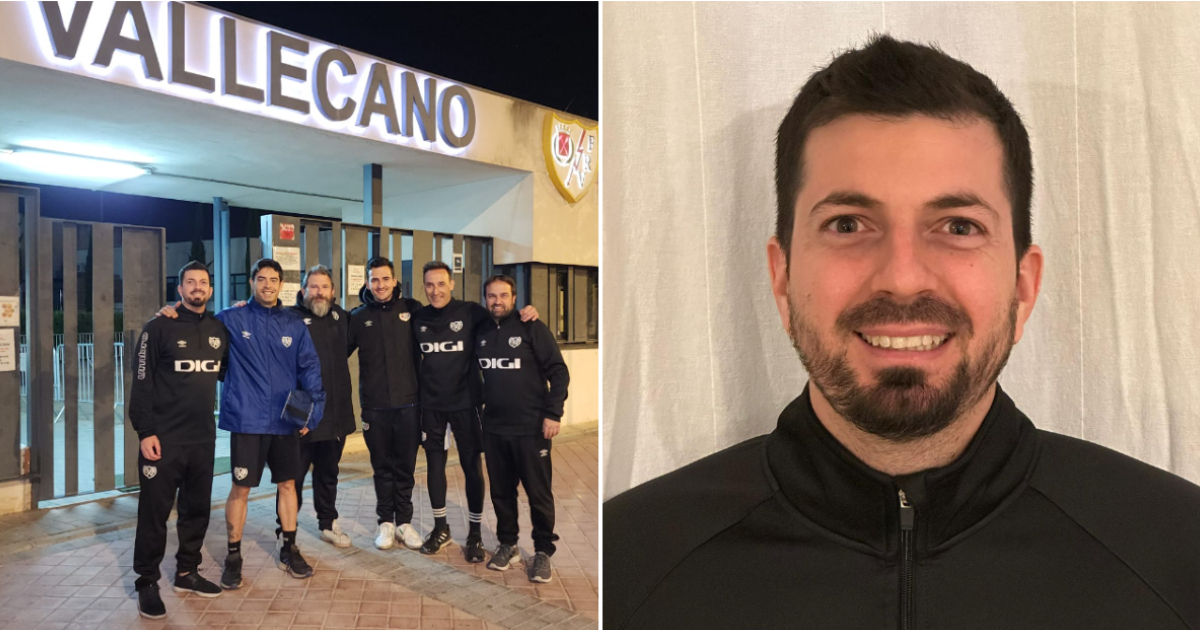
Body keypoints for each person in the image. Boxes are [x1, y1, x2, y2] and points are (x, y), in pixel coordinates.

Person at [603, 35, 1200, 629]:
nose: (904, 277)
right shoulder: (629, 565)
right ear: (782, 279)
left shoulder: (1179, 556)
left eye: (959, 226)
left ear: (1023, 285)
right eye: (848, 223)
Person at [411, 261, 538, 561]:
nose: (435, 290)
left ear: (452, 284)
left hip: (466, 405)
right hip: (432, 407)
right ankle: (440, 528)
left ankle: (476, 535)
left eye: (441, 284)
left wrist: (527, 313)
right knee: (434, 466)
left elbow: (502, 319)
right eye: (429, 285)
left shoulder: (471, 313)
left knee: (472, 469)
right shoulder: (418, 319)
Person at [216, 258, 325, 589]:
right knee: (241, 488)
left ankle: (289, 548)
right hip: (247, 421)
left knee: (289, 485)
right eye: (261, 279)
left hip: (284, 420)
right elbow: (199, 335)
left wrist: (312, 413)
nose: (267, 285)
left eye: (273, 279)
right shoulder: (230, 319)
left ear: (281, 285)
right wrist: (172, 312)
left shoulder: (294, 324)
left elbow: (310, 368)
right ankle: (233, 556)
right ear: (252, 282)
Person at [129, 261, 228, 619]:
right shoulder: (158, 328)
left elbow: (230, 371)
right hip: (162, 439)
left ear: (210, 290)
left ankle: (187, 572)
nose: (197, 288)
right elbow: (141, 383)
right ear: (180, 289)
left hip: (202, 438)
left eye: (203, 283)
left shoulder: (219, 329)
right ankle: (146, 582)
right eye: (190, 282)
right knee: (154, 513)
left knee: (196, 510)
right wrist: (145, 432)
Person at [475, 275, 569, 584]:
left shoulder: (532, 327)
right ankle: (508, 544)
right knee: (502, 492)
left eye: (503, 295)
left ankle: (542, 552)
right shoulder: (482, 331)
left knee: (538, 494)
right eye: (491, 296)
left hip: (531, 429)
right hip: (495, 429)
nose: (497, 300)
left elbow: (558, 371)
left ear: (514, 298)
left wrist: (553, 413)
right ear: (485, 298)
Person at [348, 257, 425, 551]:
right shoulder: (357, 317)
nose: (380, 285)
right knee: (382, 467)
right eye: (374, 280)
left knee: (405, 467)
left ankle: (404, 522)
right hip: (375, 407)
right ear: (368, 283)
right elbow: (331, 346)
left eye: (385, 279)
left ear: (395, 281)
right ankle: (386, 523)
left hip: (409, 406)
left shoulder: (413, 310)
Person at [277, 265, 356, 548]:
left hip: (335, 414)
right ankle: (284, 532)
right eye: (314, 287)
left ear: (333, 292)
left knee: (328, 473)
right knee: (292, 478)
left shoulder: (343, 318)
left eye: (324, 287)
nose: (319, 292)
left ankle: (327, 524)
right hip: (301, 416)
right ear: (303, 291)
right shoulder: (289, 319)